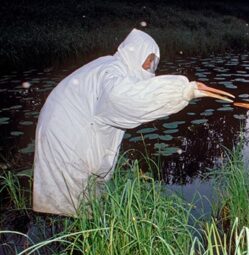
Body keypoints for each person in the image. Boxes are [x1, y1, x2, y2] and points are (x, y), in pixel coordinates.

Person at [33, 29, 233, 216]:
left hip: (62, 129)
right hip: (67, 136)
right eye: (148, 60)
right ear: (136, 53)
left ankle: (64, 236)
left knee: (71, 200)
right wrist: (182, 90)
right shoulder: (113, 71)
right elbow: (120, 99)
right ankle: (68, 240)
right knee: (72, 202)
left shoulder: (111, 65)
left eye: (153, 62)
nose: (150, 67)